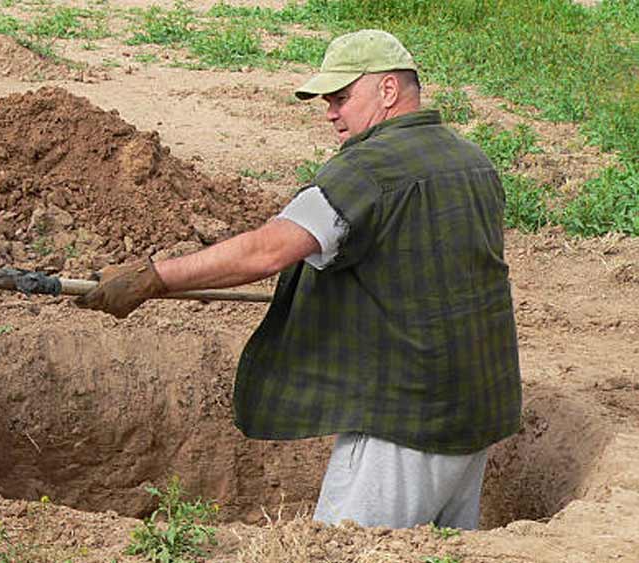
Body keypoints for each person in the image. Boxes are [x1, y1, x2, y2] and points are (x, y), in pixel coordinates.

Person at [75, 29, 522, 530]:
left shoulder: (365, 170)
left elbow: (266, 251)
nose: (331, 112)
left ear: (389, 91)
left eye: (341, 97)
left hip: (404, 422)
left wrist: (152, 277)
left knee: (343, 550)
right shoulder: (473, 162)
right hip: (477, 410)